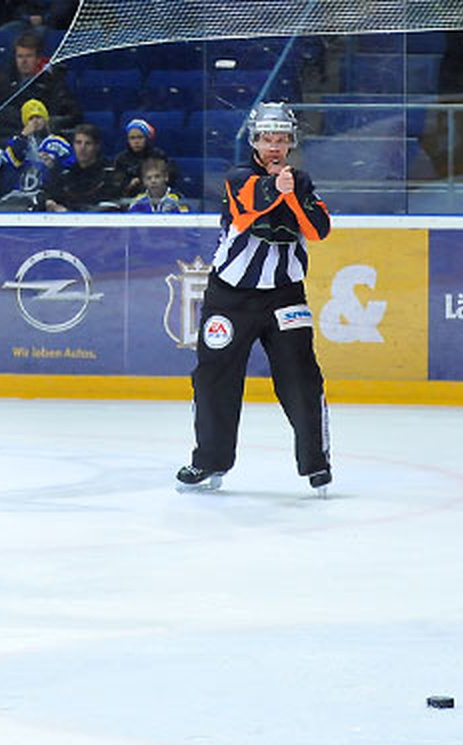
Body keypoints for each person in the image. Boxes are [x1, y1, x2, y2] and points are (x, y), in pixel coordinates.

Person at [176, 102, 332, 494]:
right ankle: (209, 462)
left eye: (281, 139)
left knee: (301, 378)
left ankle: (316, 464)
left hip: (285, 297)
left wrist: (294, 192)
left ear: (291, 142)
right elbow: (253, 203)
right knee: (214, 379)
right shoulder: (238, 176)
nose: (274, 147)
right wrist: (280, 189)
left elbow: (318, 230)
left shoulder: (303, 181)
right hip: (230, 298)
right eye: (266, 139)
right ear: (254, 141)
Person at [0, 29, 80, 141]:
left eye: (29, 56)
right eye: (20, 56)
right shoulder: (3, 80)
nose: (24, 61)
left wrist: (47, 122)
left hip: (41, 139)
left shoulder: (52, 82)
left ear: (38, 59)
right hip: (6, 138)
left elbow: (73, 115)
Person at [0, 98, 67, 210]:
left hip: (44, 193)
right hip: (18, 193)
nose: (35, 121)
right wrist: (23, 136)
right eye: (31, 118)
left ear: (46, 120)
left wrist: (55, 165)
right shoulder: (17, 141)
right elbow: (12, 161)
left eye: (39, 117)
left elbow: (71, 165)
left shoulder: (59, 142)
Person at [44, 123, 122, 211]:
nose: (82, 148)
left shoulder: (110, 172)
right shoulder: (65, 173)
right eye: (78, 142)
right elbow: (50, 195)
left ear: (97, 147)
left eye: (88, 143)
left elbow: (111, 204)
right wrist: (50, 203)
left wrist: (70, 211)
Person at [113, 117, 177, 200]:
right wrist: (128, 184)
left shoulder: (158, 156)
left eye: (140, 137)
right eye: (132, 138)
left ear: (147, 138)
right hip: (128, 198)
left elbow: (169, 179)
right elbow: (116, 184)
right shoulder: (121, 159)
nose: (136, 141)